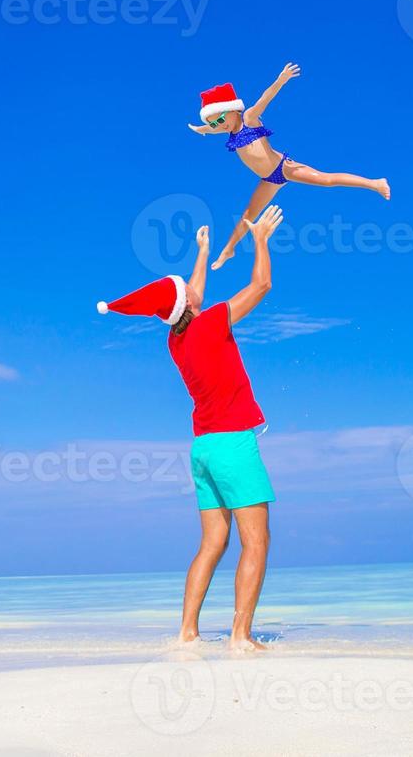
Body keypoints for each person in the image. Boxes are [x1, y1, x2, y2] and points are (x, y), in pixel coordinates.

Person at [95, 206, 284, 650]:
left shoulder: (177, 338)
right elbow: (262, 285)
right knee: (256, 541)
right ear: (191, 306)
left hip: (202, 449)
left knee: (212, 542)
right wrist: (260, 240)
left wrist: (202, 252)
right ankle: (240, 636)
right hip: (234, 443)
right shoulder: (213, 321)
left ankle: (187, 633)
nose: (193, 290)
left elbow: (189, 295)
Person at [190, 64, 389, 269]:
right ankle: (228, 250)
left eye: (220, 119)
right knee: (248, 215)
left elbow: (264, 99)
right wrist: (202, 128)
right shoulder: (227, 130)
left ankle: (374, 183)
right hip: (268, 180)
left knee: (326, 180)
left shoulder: (249, 118)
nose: (219, 126)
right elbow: (213, 128)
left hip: (284, 167)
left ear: (233, 109)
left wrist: (281, 80)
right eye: (215, 124)